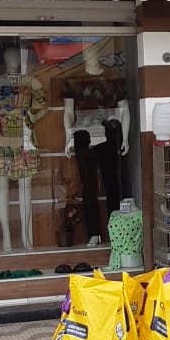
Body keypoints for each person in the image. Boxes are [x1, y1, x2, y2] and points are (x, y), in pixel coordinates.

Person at [63, 43, 131, 246]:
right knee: (88, 186)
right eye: (85, 50)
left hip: (108, 134)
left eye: (93, 49)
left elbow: (124, 110)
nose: (89, 54)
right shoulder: (73, 80)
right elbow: (68, 112)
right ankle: (94, 233)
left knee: (112, 184)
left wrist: (125, 138)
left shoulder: (113, 79)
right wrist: (68, 137)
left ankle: (115, 231)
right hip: (83, 135)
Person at [0, 46, 48, 250]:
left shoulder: (31, 81)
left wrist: (30, 118)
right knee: (1, 184)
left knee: (25, 185)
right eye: (9, 56)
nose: (12, 59)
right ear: (4, 58)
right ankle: (6, 237)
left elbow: (43, 106)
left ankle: (25, 236)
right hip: (1, 134)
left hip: (24, 135)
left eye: (15, 56)